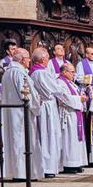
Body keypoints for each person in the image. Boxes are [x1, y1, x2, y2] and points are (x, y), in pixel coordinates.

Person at [0, 47, 43, 180]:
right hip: (20, 114)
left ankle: (18, 172)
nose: (29, 60)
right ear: (23, 60)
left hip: (12, 112)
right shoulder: (19, 73)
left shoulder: (8, 72)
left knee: (15, 142)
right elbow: (25, 93)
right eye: (28, 58)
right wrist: (36, 103)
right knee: (21, 142)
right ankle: (22, 173)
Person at [29, 47, 62, 178]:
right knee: (48, 136)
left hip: (46, 105)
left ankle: (49, 166)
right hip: (46, 107)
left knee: (47, 135)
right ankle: (47, 167)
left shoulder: (35, 72)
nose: (48, 60)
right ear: (42, 59)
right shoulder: (41, 73)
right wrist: (65, 87)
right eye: (47, 57)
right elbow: (55, 88)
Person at [57, 63, 89, 173]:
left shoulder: (71, 83)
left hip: (76, 113)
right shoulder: (60, 82)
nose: (74, 74)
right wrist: (79, 99)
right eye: (71, 72)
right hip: (68, 114)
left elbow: (77, 94)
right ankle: (68, 164)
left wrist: (82, 97)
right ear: (64, 72)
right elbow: (64, 97)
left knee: (76, 139)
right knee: (69, 139)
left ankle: (76, 162)